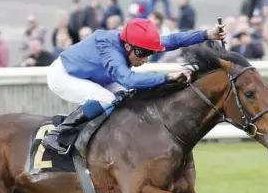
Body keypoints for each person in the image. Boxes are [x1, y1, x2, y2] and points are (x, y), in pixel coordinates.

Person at [41, 17, 226, 154]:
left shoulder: (133, 41)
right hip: (63, 75)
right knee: (106, 98)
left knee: (127, 96)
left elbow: (172, 40)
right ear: (128, 46)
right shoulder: (110, 50)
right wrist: (167, 77)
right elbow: (128, 79)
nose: (145, 60)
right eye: (143, 54)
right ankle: (57, 134)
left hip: (92, 76)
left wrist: (208, 34)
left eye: (149, 54)